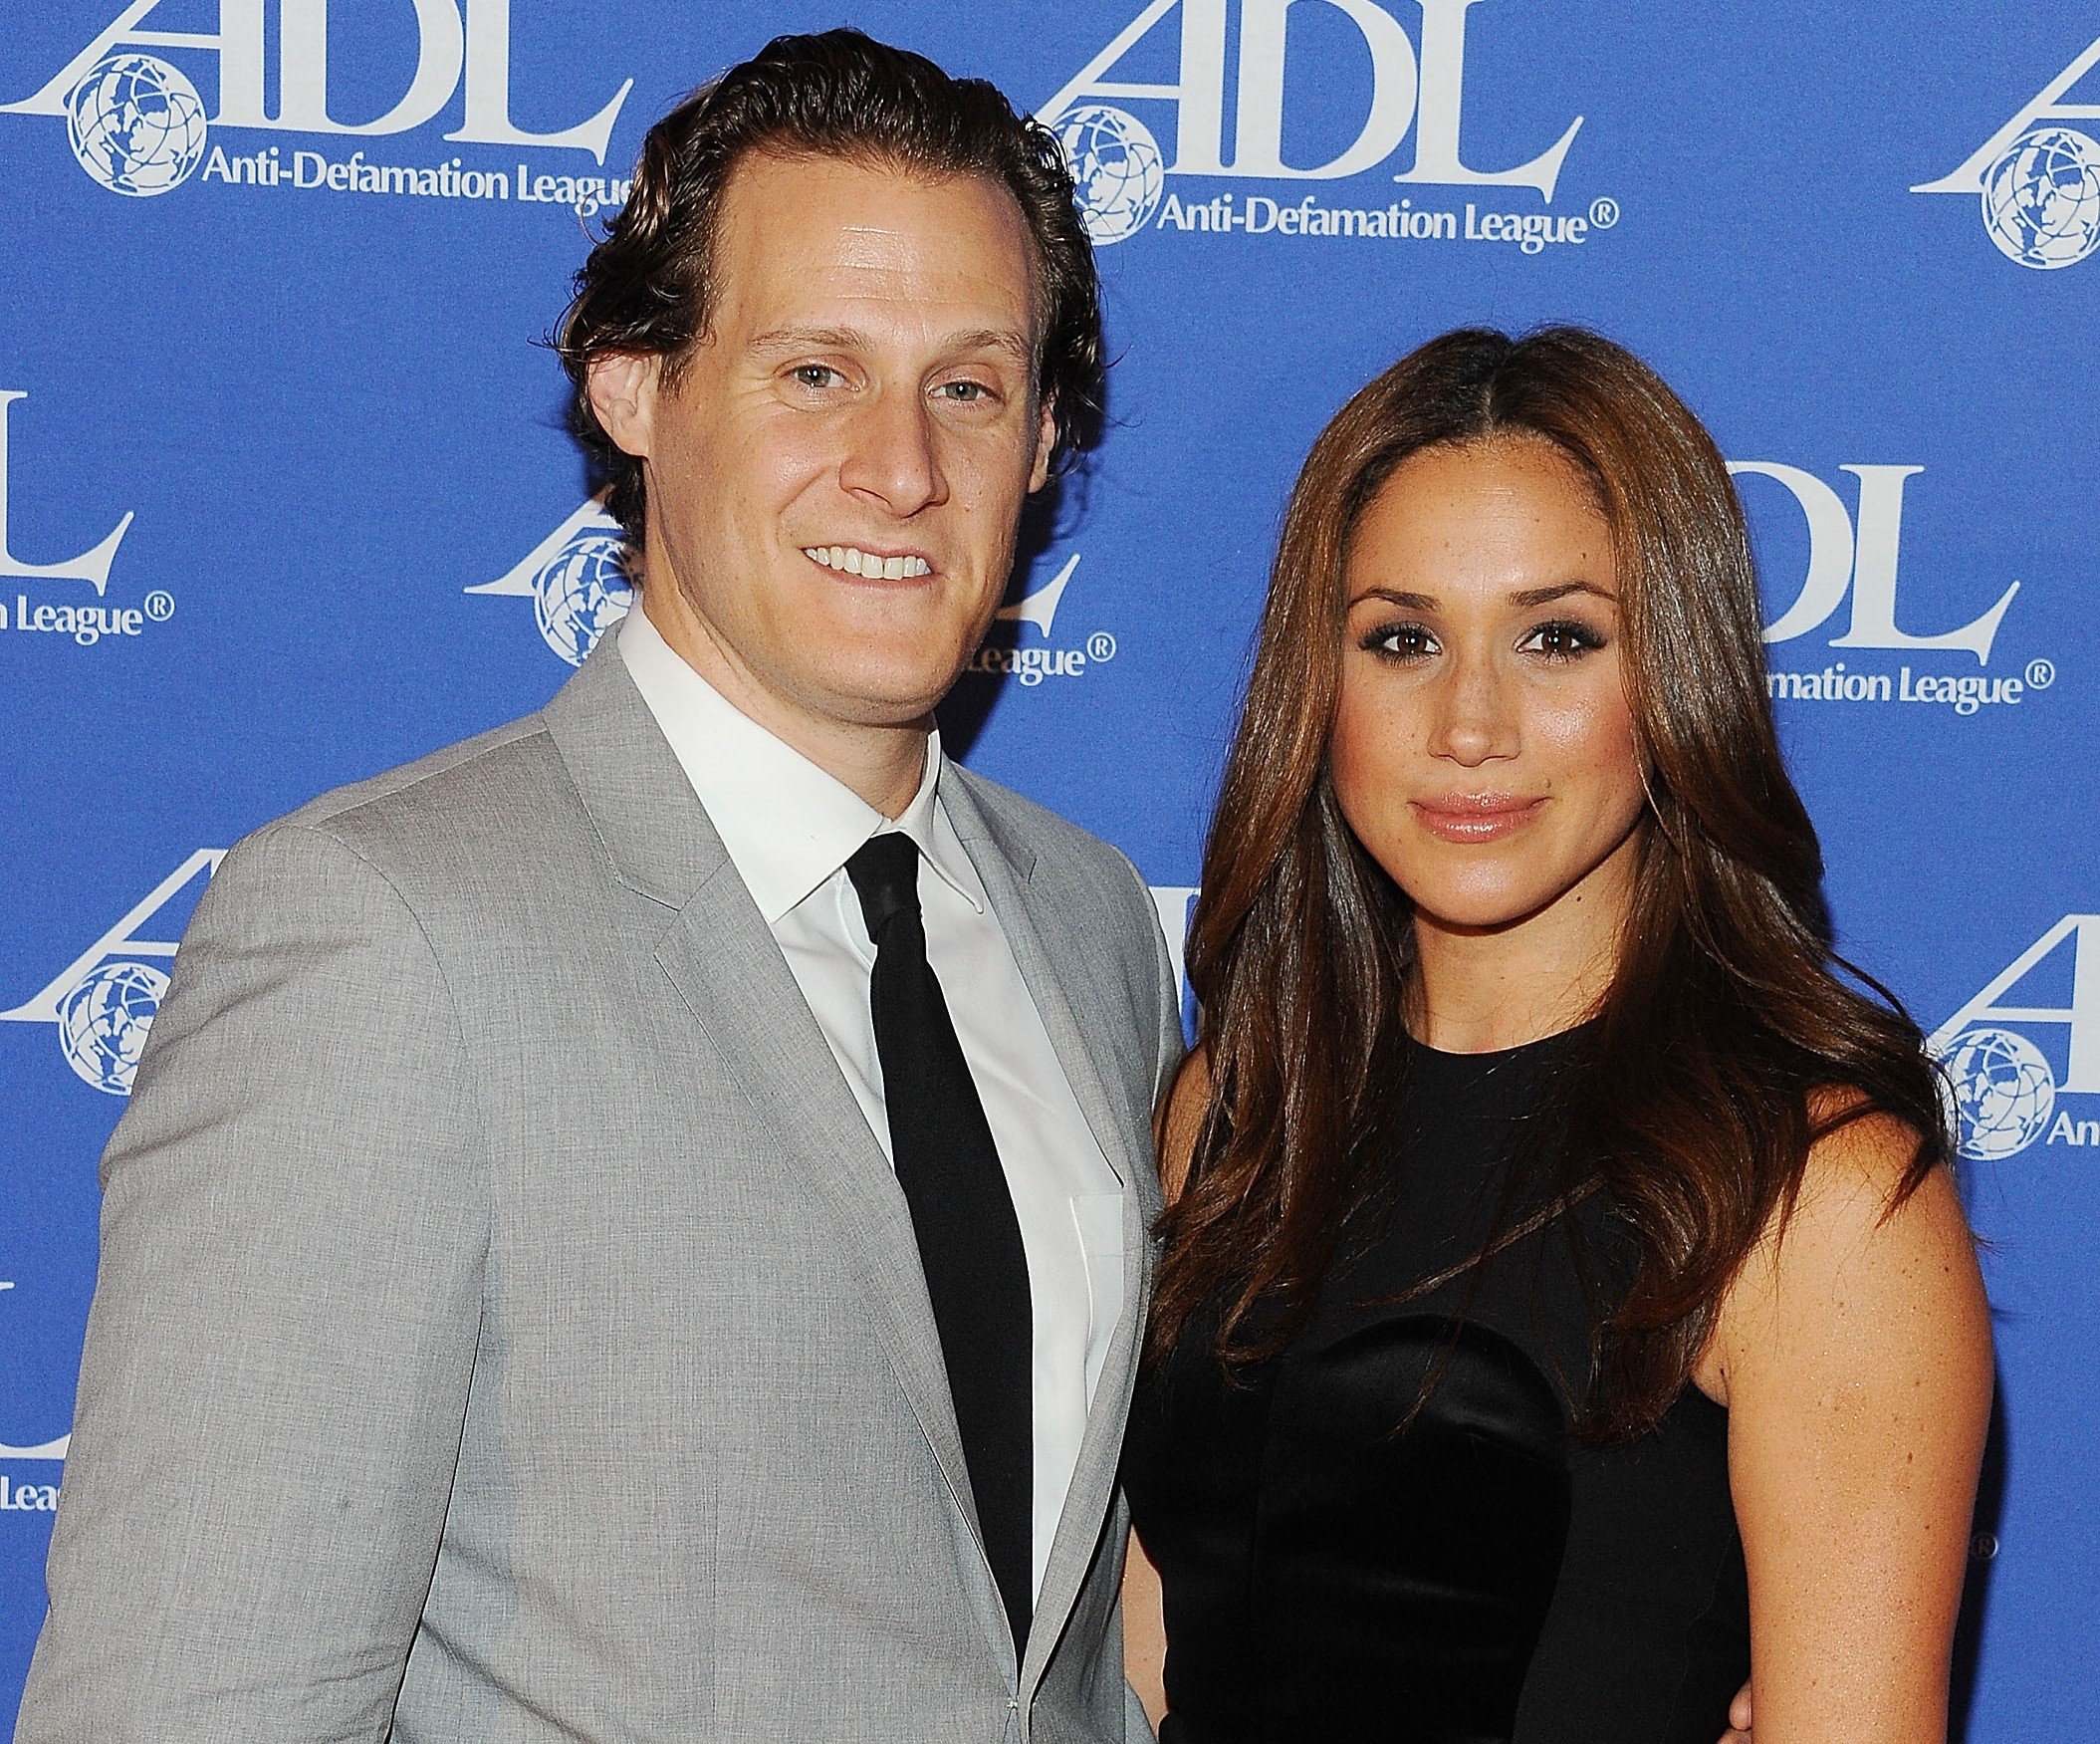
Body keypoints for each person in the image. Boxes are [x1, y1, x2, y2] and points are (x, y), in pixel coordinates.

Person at [16, 32, 1182, 1742]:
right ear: (633, 386)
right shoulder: (383, 934)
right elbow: (191, 1702)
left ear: (1042, 439)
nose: (901, 465)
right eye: (812, 372)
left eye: (970, 385)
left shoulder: (1093, 932)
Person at [1119, 328, 1992, 1743]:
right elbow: (1152, 1668)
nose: (1470, 724)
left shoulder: (1813, 1200)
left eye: (1557, 639)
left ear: (1675, 682)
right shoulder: (1238, 1105)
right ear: (1314, 685)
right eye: (1400, 639)